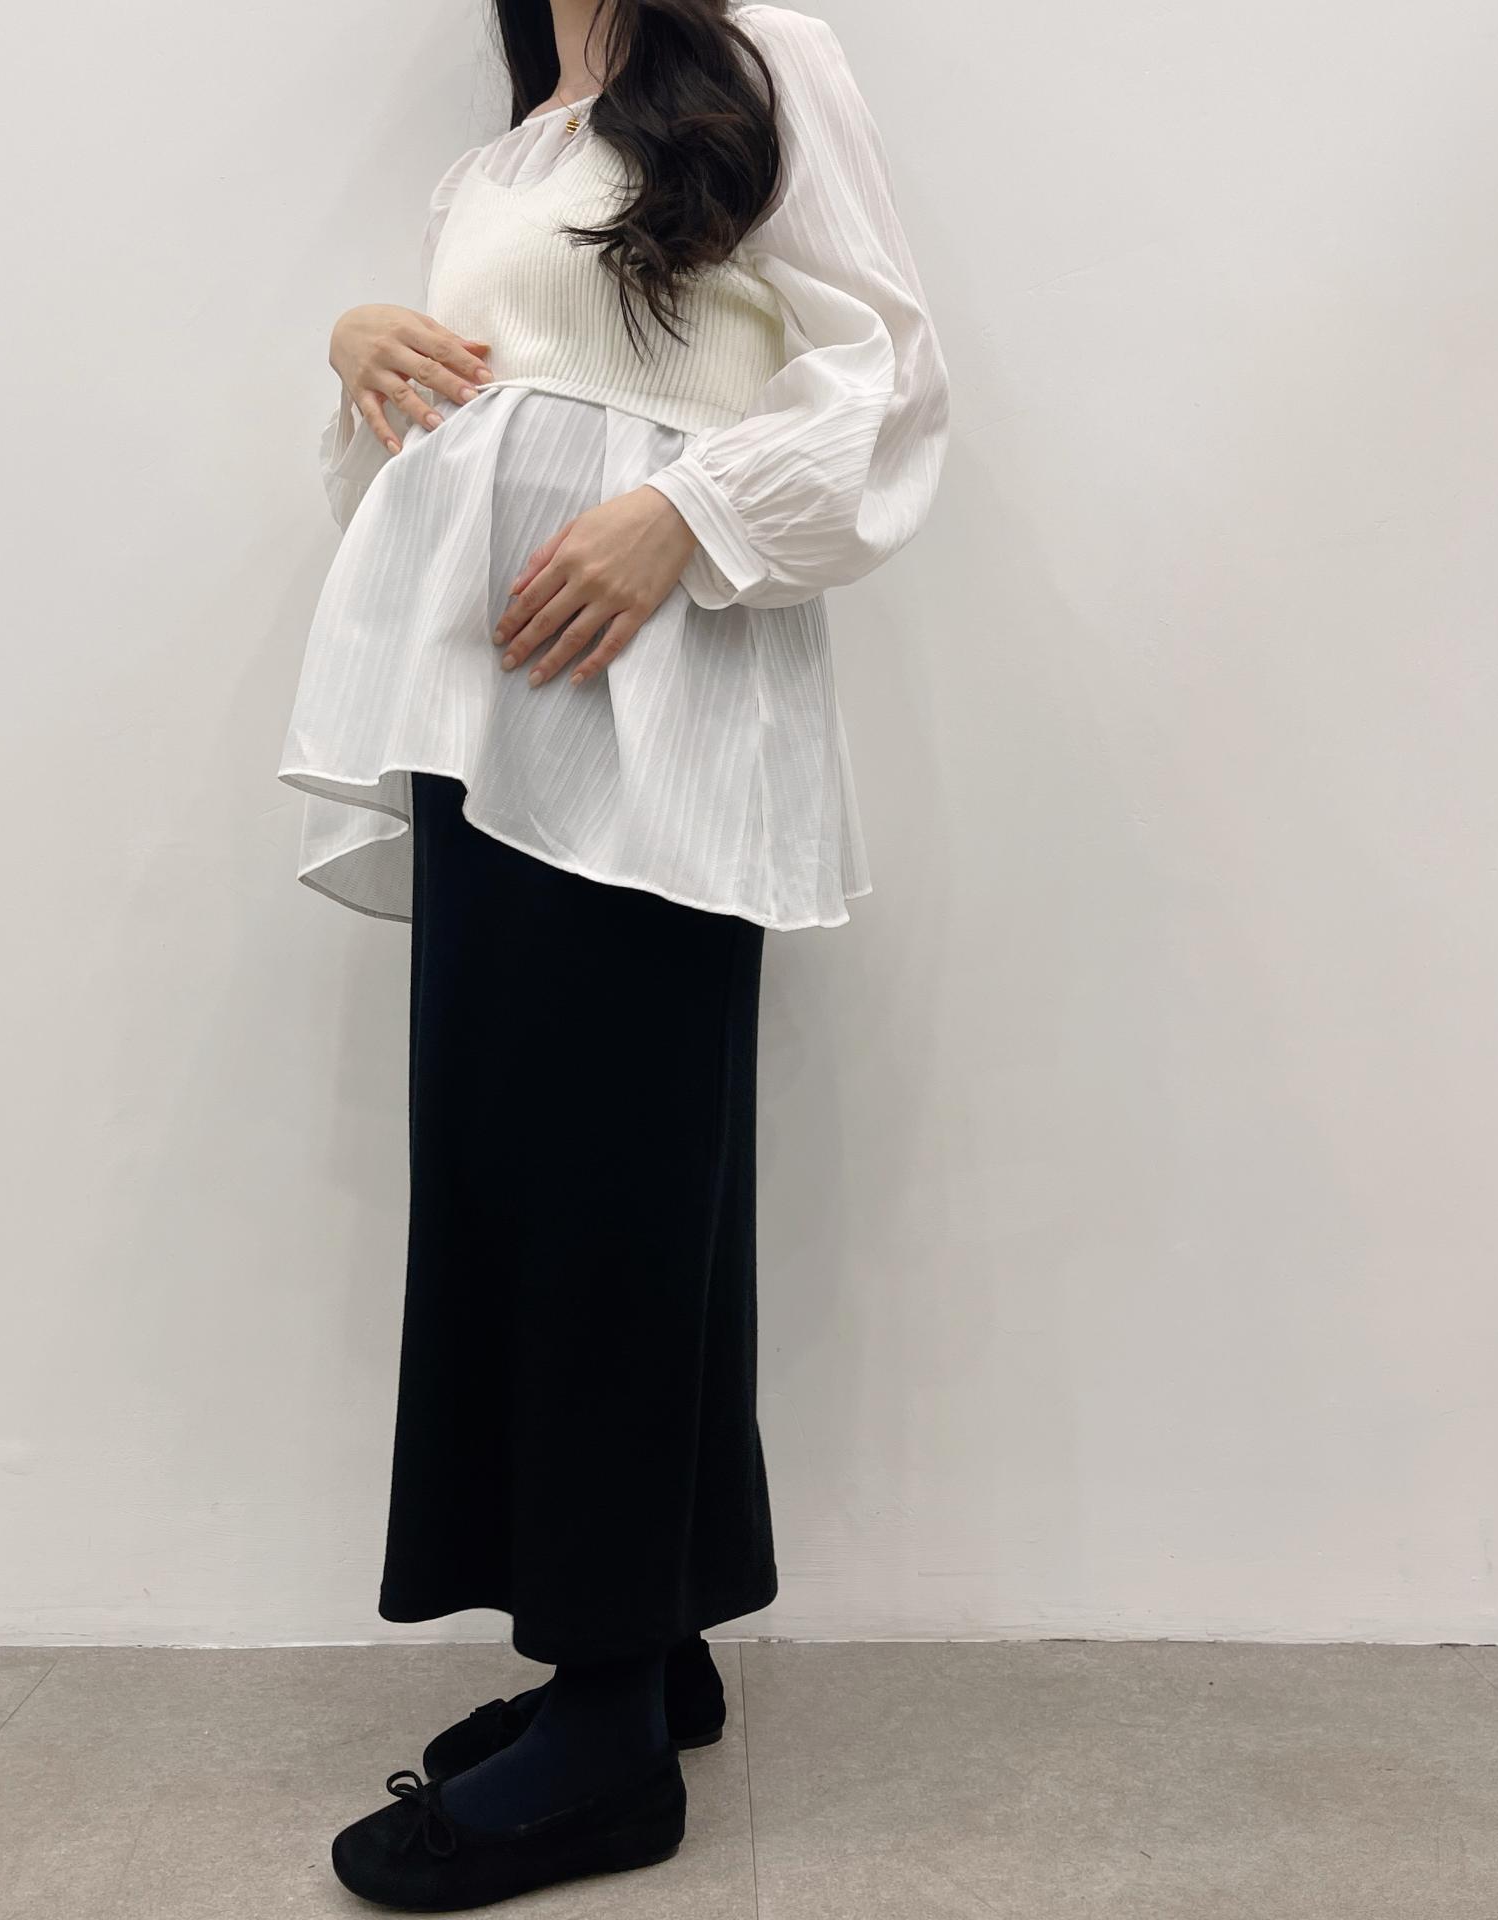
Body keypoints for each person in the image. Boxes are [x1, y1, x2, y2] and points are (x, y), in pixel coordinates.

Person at [277, 0, 949, 1904]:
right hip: (489, 721)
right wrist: (359, 345)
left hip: (660, 719)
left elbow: (889, 372)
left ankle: (604, 1745)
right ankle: (646, 1648)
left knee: (616, 1193)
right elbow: (454, 447)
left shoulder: (757, 53)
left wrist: (688, 508)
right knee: (531, 1176)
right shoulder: (504, 156)